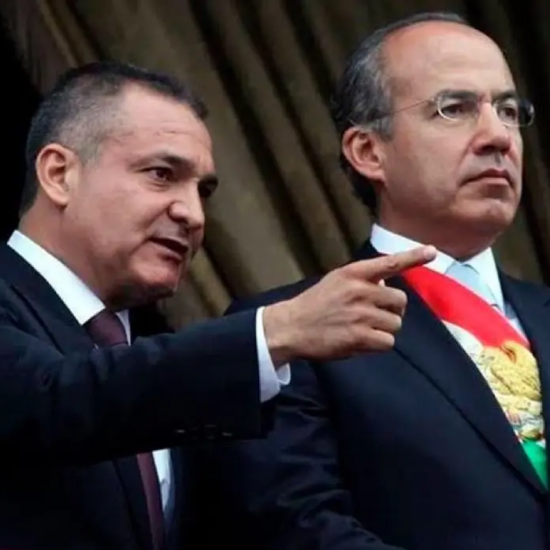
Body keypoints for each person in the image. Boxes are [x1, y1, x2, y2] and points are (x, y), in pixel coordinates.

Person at [0, 59, 434, 550]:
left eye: (202, 191)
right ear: (59, 174)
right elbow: (57, 400)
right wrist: (273, 333)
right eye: (161, 174)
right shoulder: (148, 370)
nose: (193, 214)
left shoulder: (158, 365)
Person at [196, 11, 550, 550]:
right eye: (454, 109)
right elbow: (300, 525)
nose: (498, 136)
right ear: (368, 152)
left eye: (508, 110)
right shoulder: (287, 334)